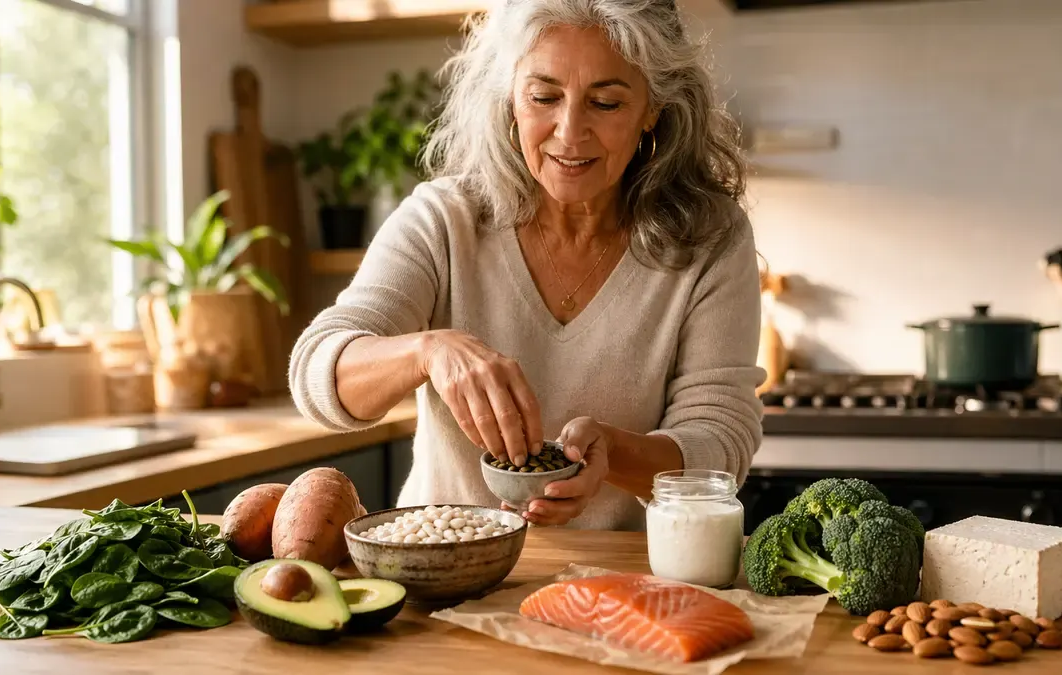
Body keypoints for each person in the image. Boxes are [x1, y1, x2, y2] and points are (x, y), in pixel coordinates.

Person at [289, 0, 765, 531]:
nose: (569, 132)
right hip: (440, 572)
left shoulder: (709, 238)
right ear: (510, 97)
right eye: (544, 97)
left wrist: (614, 456)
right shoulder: (444, 219)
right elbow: (317, 374)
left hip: (622, 585)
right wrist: (428, 351)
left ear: (653, 108)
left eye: (605, 103)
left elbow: (721, 443)